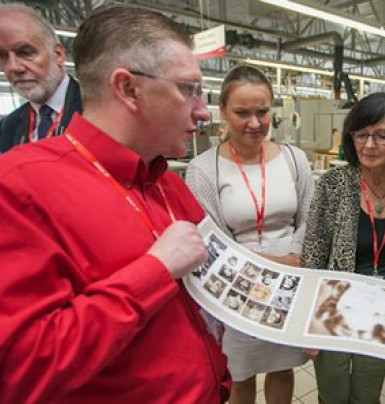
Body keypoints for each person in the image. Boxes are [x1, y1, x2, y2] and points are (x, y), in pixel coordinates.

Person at [0, 5, 231, 403]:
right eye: (188, 89)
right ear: (127, 89)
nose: (203, 111)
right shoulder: (19, 187)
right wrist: (155, 271)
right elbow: (22, 369)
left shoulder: (169, 185)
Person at [186, 64, 314, 404]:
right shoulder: (203, 169)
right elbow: (211, 239)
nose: (255, 123)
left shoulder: (293, 159)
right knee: (240, 375)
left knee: (283, 369)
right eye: (242, 112)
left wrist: (293, 259)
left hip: (289, 281)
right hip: (237, 288)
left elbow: (309, 218)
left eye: (262, 111)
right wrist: (265, 264)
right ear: (222, 112)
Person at [303, 92, 385, 404]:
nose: (369, 145)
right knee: (333, 395)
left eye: (382, 136)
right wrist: (309, 325)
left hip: (382, 314)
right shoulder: (333, 184)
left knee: (367, 396)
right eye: (362, 134)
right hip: (336, 311)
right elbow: (313, 255)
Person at [0, 3, 82, 153]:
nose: (13, 67)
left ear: (58, 55)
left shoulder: (98, 109)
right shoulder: (8, 127)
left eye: (25, 52)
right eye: (3, 57)